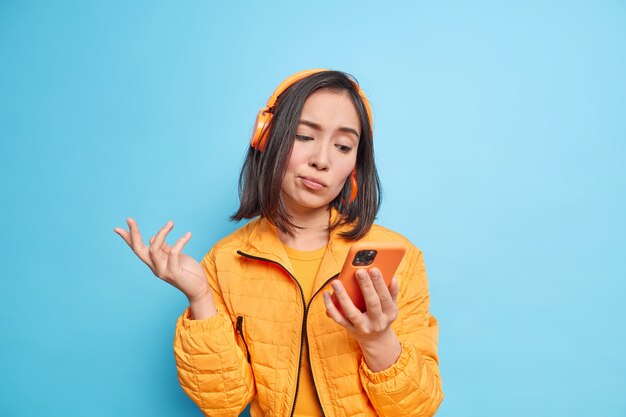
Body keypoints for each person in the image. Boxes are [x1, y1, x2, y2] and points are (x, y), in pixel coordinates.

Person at [114, 69, 444, 417]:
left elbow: (418, 409)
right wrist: (200, 299)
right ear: (266, 137)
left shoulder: (399, 260)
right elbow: (223, 403)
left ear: (355, 166)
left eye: (343, 146)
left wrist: (378, 340)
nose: (322, 160)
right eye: (304, 136)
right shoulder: (226, 260)